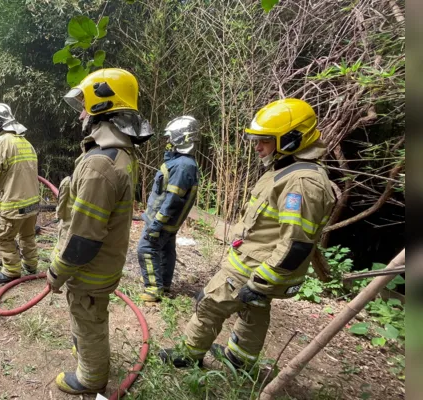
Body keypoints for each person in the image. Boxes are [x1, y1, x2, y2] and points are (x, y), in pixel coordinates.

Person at [158, 98, 336, 370]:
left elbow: (296, 242)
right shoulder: (288, 168)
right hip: (260, 260)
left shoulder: (302, 182)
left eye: (265, 140)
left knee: (209, 304)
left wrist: (261, 282)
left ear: (290, 139)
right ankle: (239, 360)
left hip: (258, 266)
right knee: (254, 310)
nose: (258, 146)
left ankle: (188, 355)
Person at [47, 68, 152, 395]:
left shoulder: (99, 164)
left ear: (103, 107)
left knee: (88, 317)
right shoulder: (119, 153)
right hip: (105, 262)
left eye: (86, 105)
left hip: (90, 269)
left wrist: (56, 272)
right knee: (89, 314)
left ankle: (90, 377)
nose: (81, 113)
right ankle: (89, 354)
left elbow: (83, 238)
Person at [137, 116, 201, 302]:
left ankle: (153, 289)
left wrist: (156, 225)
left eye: (171, 138)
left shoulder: (182, 166)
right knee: (165, 251)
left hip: (163, 222)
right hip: (166, 222)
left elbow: (173, 200)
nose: (168, 142)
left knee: (146, 248)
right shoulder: (182, 163)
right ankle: (163, 284)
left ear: (182, 139)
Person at [0, 103, 40, 284]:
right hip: (32, 202)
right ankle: (31, 266)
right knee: (27, 236)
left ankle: (12, 271)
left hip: (13, 202)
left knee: (2, 237)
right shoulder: (26, 142)